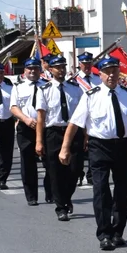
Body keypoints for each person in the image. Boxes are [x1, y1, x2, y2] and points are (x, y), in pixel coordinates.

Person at [60, 56, 127, 251]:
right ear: (100, 74)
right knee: (101, 190)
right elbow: (74, 123)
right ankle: (104, 234)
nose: (111, 75)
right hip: (99, 146)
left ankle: (117, 232)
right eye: (107, 72)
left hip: (124, 145)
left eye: (115, 71)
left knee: (122, 191)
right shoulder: (91, 96)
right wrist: (65, 147)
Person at [36, 54, 84, 221]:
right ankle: (60, 206)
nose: (61, 70)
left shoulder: (75, 88)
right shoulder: (44, 90)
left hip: (74, 132)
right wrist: (39, 141)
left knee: (75, 170)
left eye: (63, 67)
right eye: (58, 67)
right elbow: (41, 117)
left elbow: (83, 114)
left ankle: (66, 197)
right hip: (53, 133)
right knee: (55, 172)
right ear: (51, 70)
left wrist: (85, 136)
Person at [11, 58, 48, 206]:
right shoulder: (18, 87)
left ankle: (50, 191)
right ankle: (31, 195)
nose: (32, 71)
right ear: (24, 71)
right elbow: (13, 107)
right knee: (28, 163)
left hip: (44, 127)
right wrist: (26, 119)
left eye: (35, 69)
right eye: (29, 69)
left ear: (40, 70)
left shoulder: (46, 86)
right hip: (26, 127)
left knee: (49, 162)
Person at [74, 51, 101, 186]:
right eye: (84, 64)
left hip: (96, 116)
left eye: (89, 63)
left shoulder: (98, 79)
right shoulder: (73, 80)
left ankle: (91, 174)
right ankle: (79, 173)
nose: (87, 66)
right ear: (80, 65)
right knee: (79, 148)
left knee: (93, 146)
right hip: (80, 117)